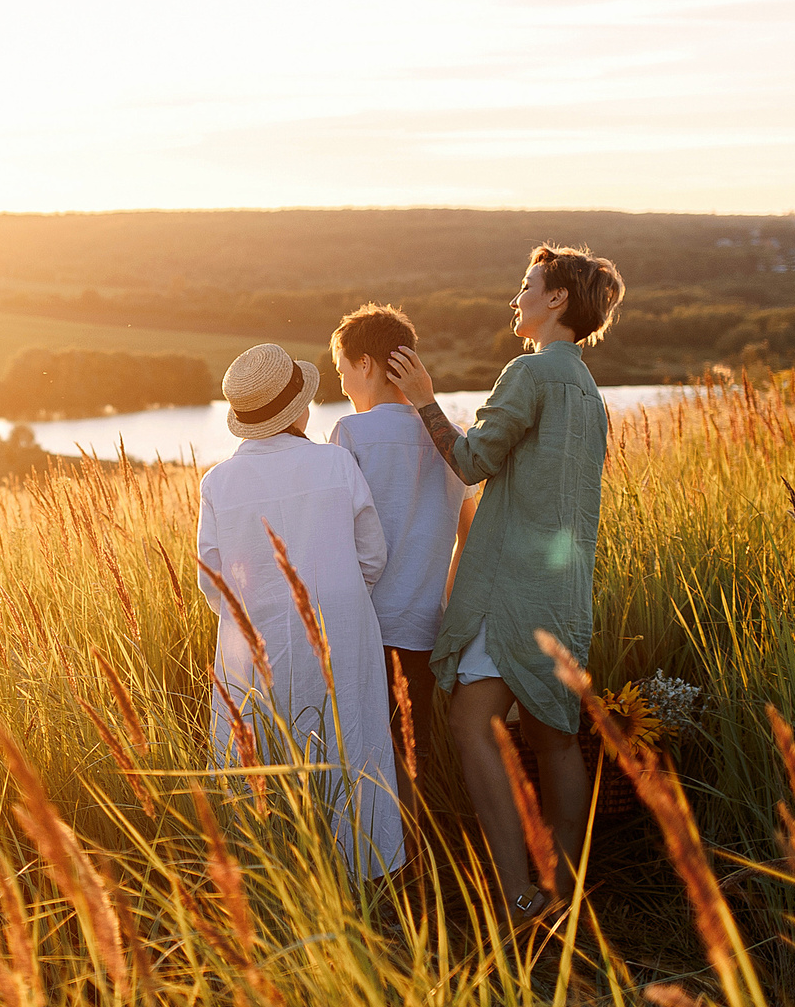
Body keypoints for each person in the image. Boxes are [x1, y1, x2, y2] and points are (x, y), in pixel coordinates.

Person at [384, 244, 625, 930]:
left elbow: (470, 460)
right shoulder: (587, 390)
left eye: (527, 286)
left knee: (468, 720)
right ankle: (563, 893)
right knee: (555, 734)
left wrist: (425, 399)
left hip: (511, 589)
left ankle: (521, 899)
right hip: (565, 591)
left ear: (557, 301)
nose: (515, 297)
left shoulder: (531, 371)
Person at [196, 342, 404, 880]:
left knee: (265, 749)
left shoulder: (217, 482)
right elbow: (371, 554)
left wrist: (255, 609)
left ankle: (281, 875)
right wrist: (340, 594)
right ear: (300, 411)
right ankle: (363, 870)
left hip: (254, 639)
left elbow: (210, 578)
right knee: (348, 737)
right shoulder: (335, 462)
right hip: (340, 628)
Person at [326, 303, 474, 823]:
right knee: (414, 748)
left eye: (343, 370)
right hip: (423, 623)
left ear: (366, 364)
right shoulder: (449, 436)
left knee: (366, 749)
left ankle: (379, 864)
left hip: (367, 622)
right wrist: (446, 593)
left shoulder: (351, 433)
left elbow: (338, 532)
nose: (342, 385)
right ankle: (418, 858)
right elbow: (470, 530)